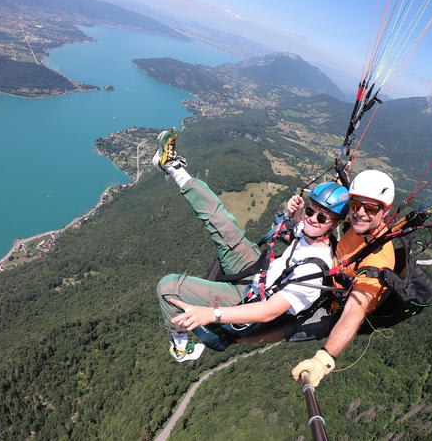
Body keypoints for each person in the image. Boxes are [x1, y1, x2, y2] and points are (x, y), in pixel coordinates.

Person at [152, 127, 349, 362]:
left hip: (248, 302)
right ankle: (172, 167)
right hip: (259, 271)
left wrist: (211, 314)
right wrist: (295, 215)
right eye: (311, 210)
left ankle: (180, 345)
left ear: (335, 224)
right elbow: (294, 233)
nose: (312, 219)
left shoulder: (315, 270)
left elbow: (269, 312)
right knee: (220, 220)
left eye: (322, 217)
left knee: (168, 287)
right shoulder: (310, 232)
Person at [291, 169, 397, 386]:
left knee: (278, 325)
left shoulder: (378, 260)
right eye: (356, 205)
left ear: (385, 211)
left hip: (331, 311)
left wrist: (324, 359)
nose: (360, 213)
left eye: (371, 208)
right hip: (325, 284)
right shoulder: (359, 227)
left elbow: (354, 311)